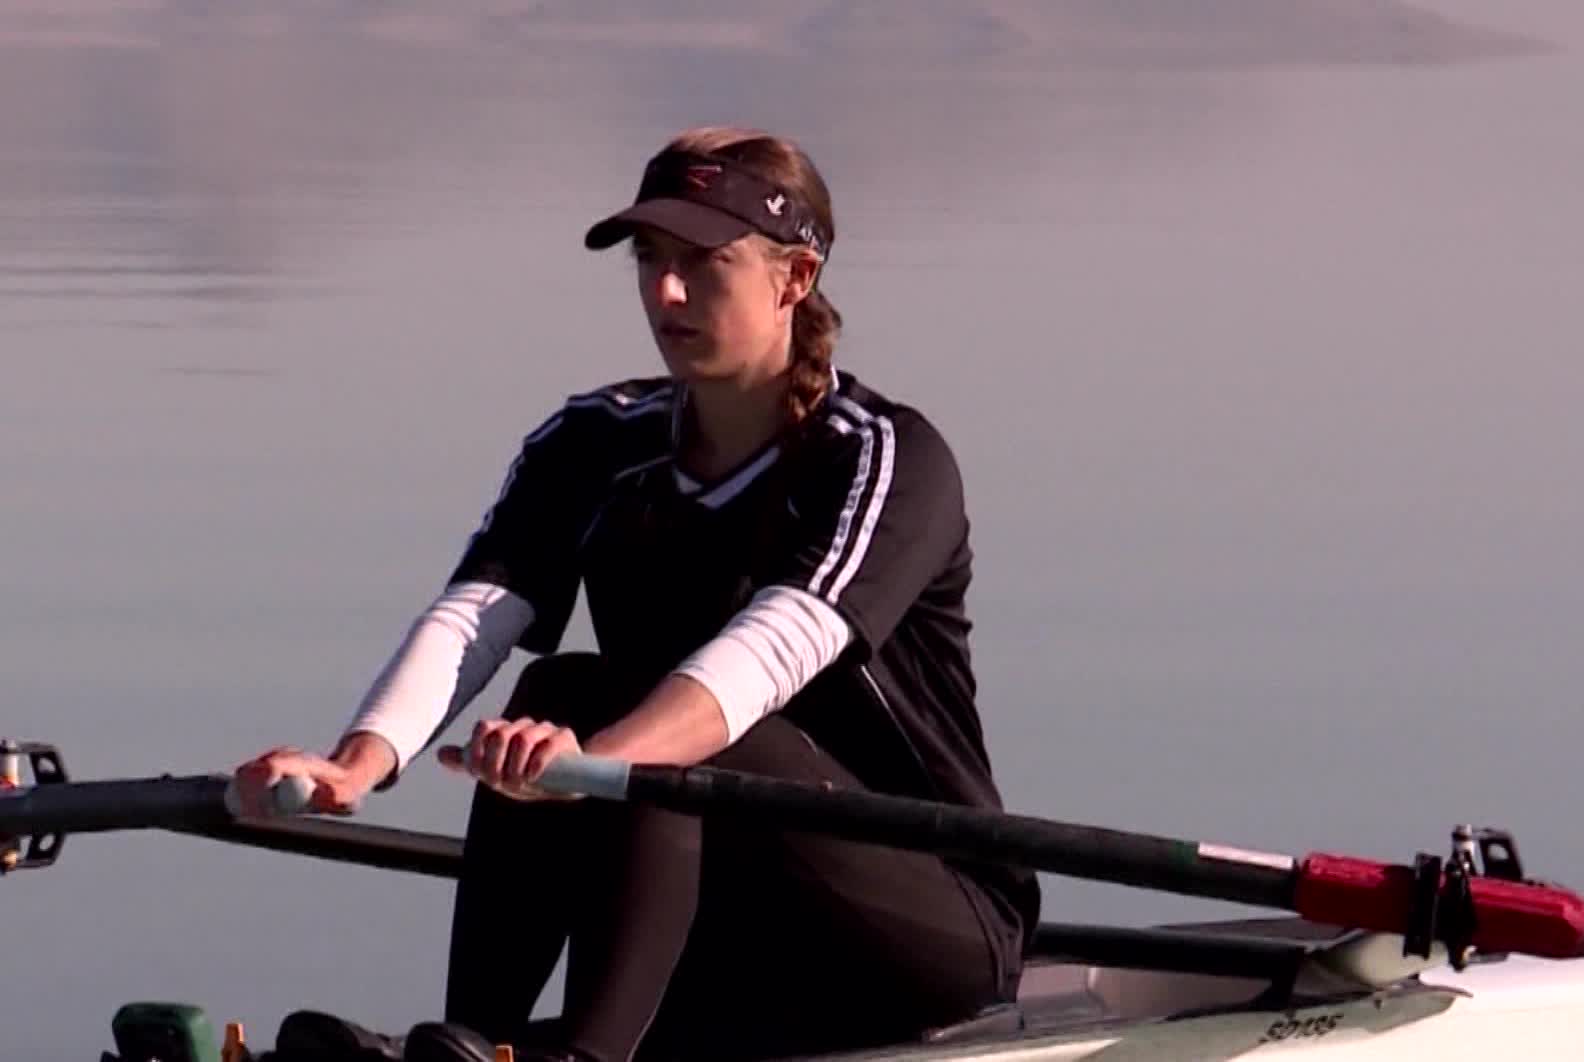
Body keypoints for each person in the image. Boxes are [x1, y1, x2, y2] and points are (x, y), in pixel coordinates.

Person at [231, 126, 1040, 1062]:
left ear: (795, 278)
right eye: (651, 258)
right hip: (717, 910)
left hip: (933, 926)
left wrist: (595, 767)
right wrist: (357, 764)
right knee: (554, 694)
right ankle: (472, 1043)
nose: (665, 292)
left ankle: (588, 1056)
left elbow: (768, 655)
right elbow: (472, 619)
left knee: (664, 738)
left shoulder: (884, 458)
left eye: (703, 263)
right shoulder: (595, 441)